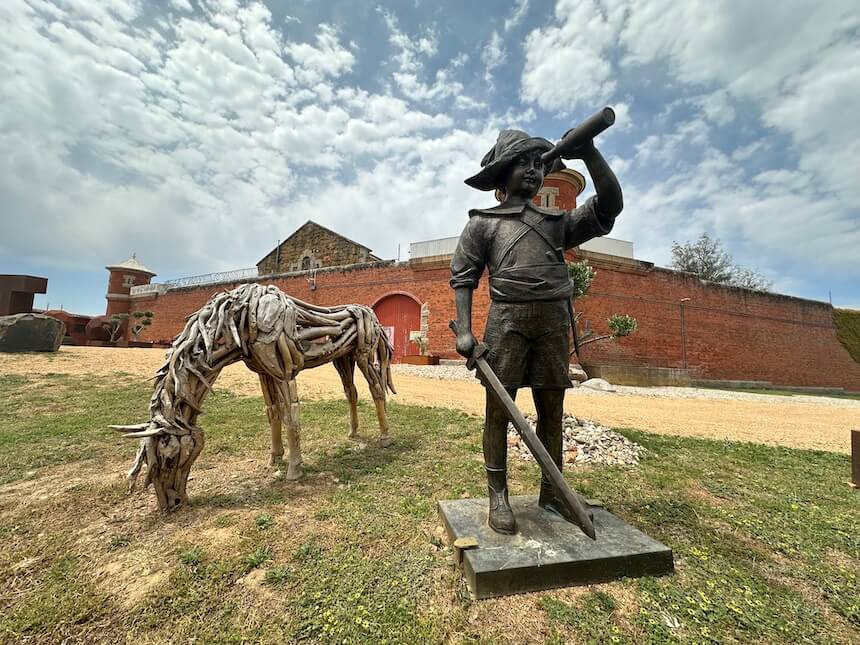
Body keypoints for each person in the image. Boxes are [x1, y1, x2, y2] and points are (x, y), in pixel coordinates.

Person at [450, 129, 622, 534]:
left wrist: (590, 155)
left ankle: (552, 491)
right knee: (499, 410)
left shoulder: (556, 223)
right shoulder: (483, 225)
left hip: (551, 324)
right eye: (522, 163)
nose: (532, 170)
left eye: (538, 164)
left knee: (551, 409)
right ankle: (498, 494)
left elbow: (609, 207)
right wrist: (466, 331)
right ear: (501, 174)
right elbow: (463, 276)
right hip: (506, 323)